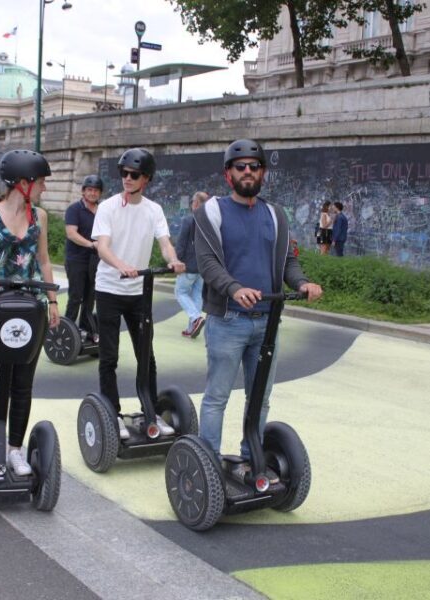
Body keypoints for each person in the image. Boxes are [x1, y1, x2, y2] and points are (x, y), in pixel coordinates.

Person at [193, 139, 323, 478]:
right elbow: (207, 264)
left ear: (263, 173)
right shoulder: (211, 211)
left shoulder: (276, 215)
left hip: (267, 321)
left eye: (254, 167)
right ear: (228, 174)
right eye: (240, 167)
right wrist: (235, 289)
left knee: (260, 398)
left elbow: (288, 261)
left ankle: (251, 460)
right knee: (217, 397)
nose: (247, 172)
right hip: (228, 320)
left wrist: (302, 283)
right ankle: (208, 466)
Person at [0, 149, 60, 476]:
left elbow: (44, 260)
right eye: (41, 181)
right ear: (23, 182)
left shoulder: (40, 217)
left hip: (31, 309)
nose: (44, 187)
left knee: (22, 384)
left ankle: (15, 450)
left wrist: (53, 302)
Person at [91, 148, 185, 440]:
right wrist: (121, 265)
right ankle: (114, 414)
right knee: (109, 357)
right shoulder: (107, 207)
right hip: (109, 289)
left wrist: (173, 260)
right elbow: (102, 246)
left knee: (146, 355)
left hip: (138, 293)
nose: (127, 179)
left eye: (134, 175)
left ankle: (150, 411)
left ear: (146, 179)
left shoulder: (153, 210)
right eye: (124, 173)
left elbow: (165, 243)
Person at [63, 174, 103, 340]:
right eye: (90, 190)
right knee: (76, 296)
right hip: (76, 259)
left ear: (100, 193)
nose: (93, 193)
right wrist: (90, 244)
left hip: (94, 260)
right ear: (83, 191)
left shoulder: (103, 211)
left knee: (90, 297)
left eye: (96, 191)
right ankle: (67, 331)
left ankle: (85, 330)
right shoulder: (74, 209)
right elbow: (71, 233)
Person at [175, 191, 209, 338]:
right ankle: (191, 329)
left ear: (195, 203)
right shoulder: (210, 222)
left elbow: (181, 244)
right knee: (197, 296)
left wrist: (177, 261)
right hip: (204, 266)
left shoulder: (188, 220)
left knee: (180, 292)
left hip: (188, 265)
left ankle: (196, 318)